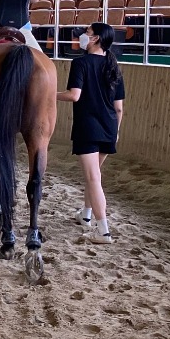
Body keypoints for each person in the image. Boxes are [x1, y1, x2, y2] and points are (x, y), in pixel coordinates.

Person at [57, 22, 124, 244]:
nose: (83, 37)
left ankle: (103, 230)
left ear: (95, 39)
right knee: (94, 175)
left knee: (93, 178)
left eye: (87, 33)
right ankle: (85, 214)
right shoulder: (114, 65)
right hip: (109, 127)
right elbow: (119, 107)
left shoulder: (81, 63)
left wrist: (49, 94)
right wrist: (116, 132)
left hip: (88, 127)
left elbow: (74, 95)